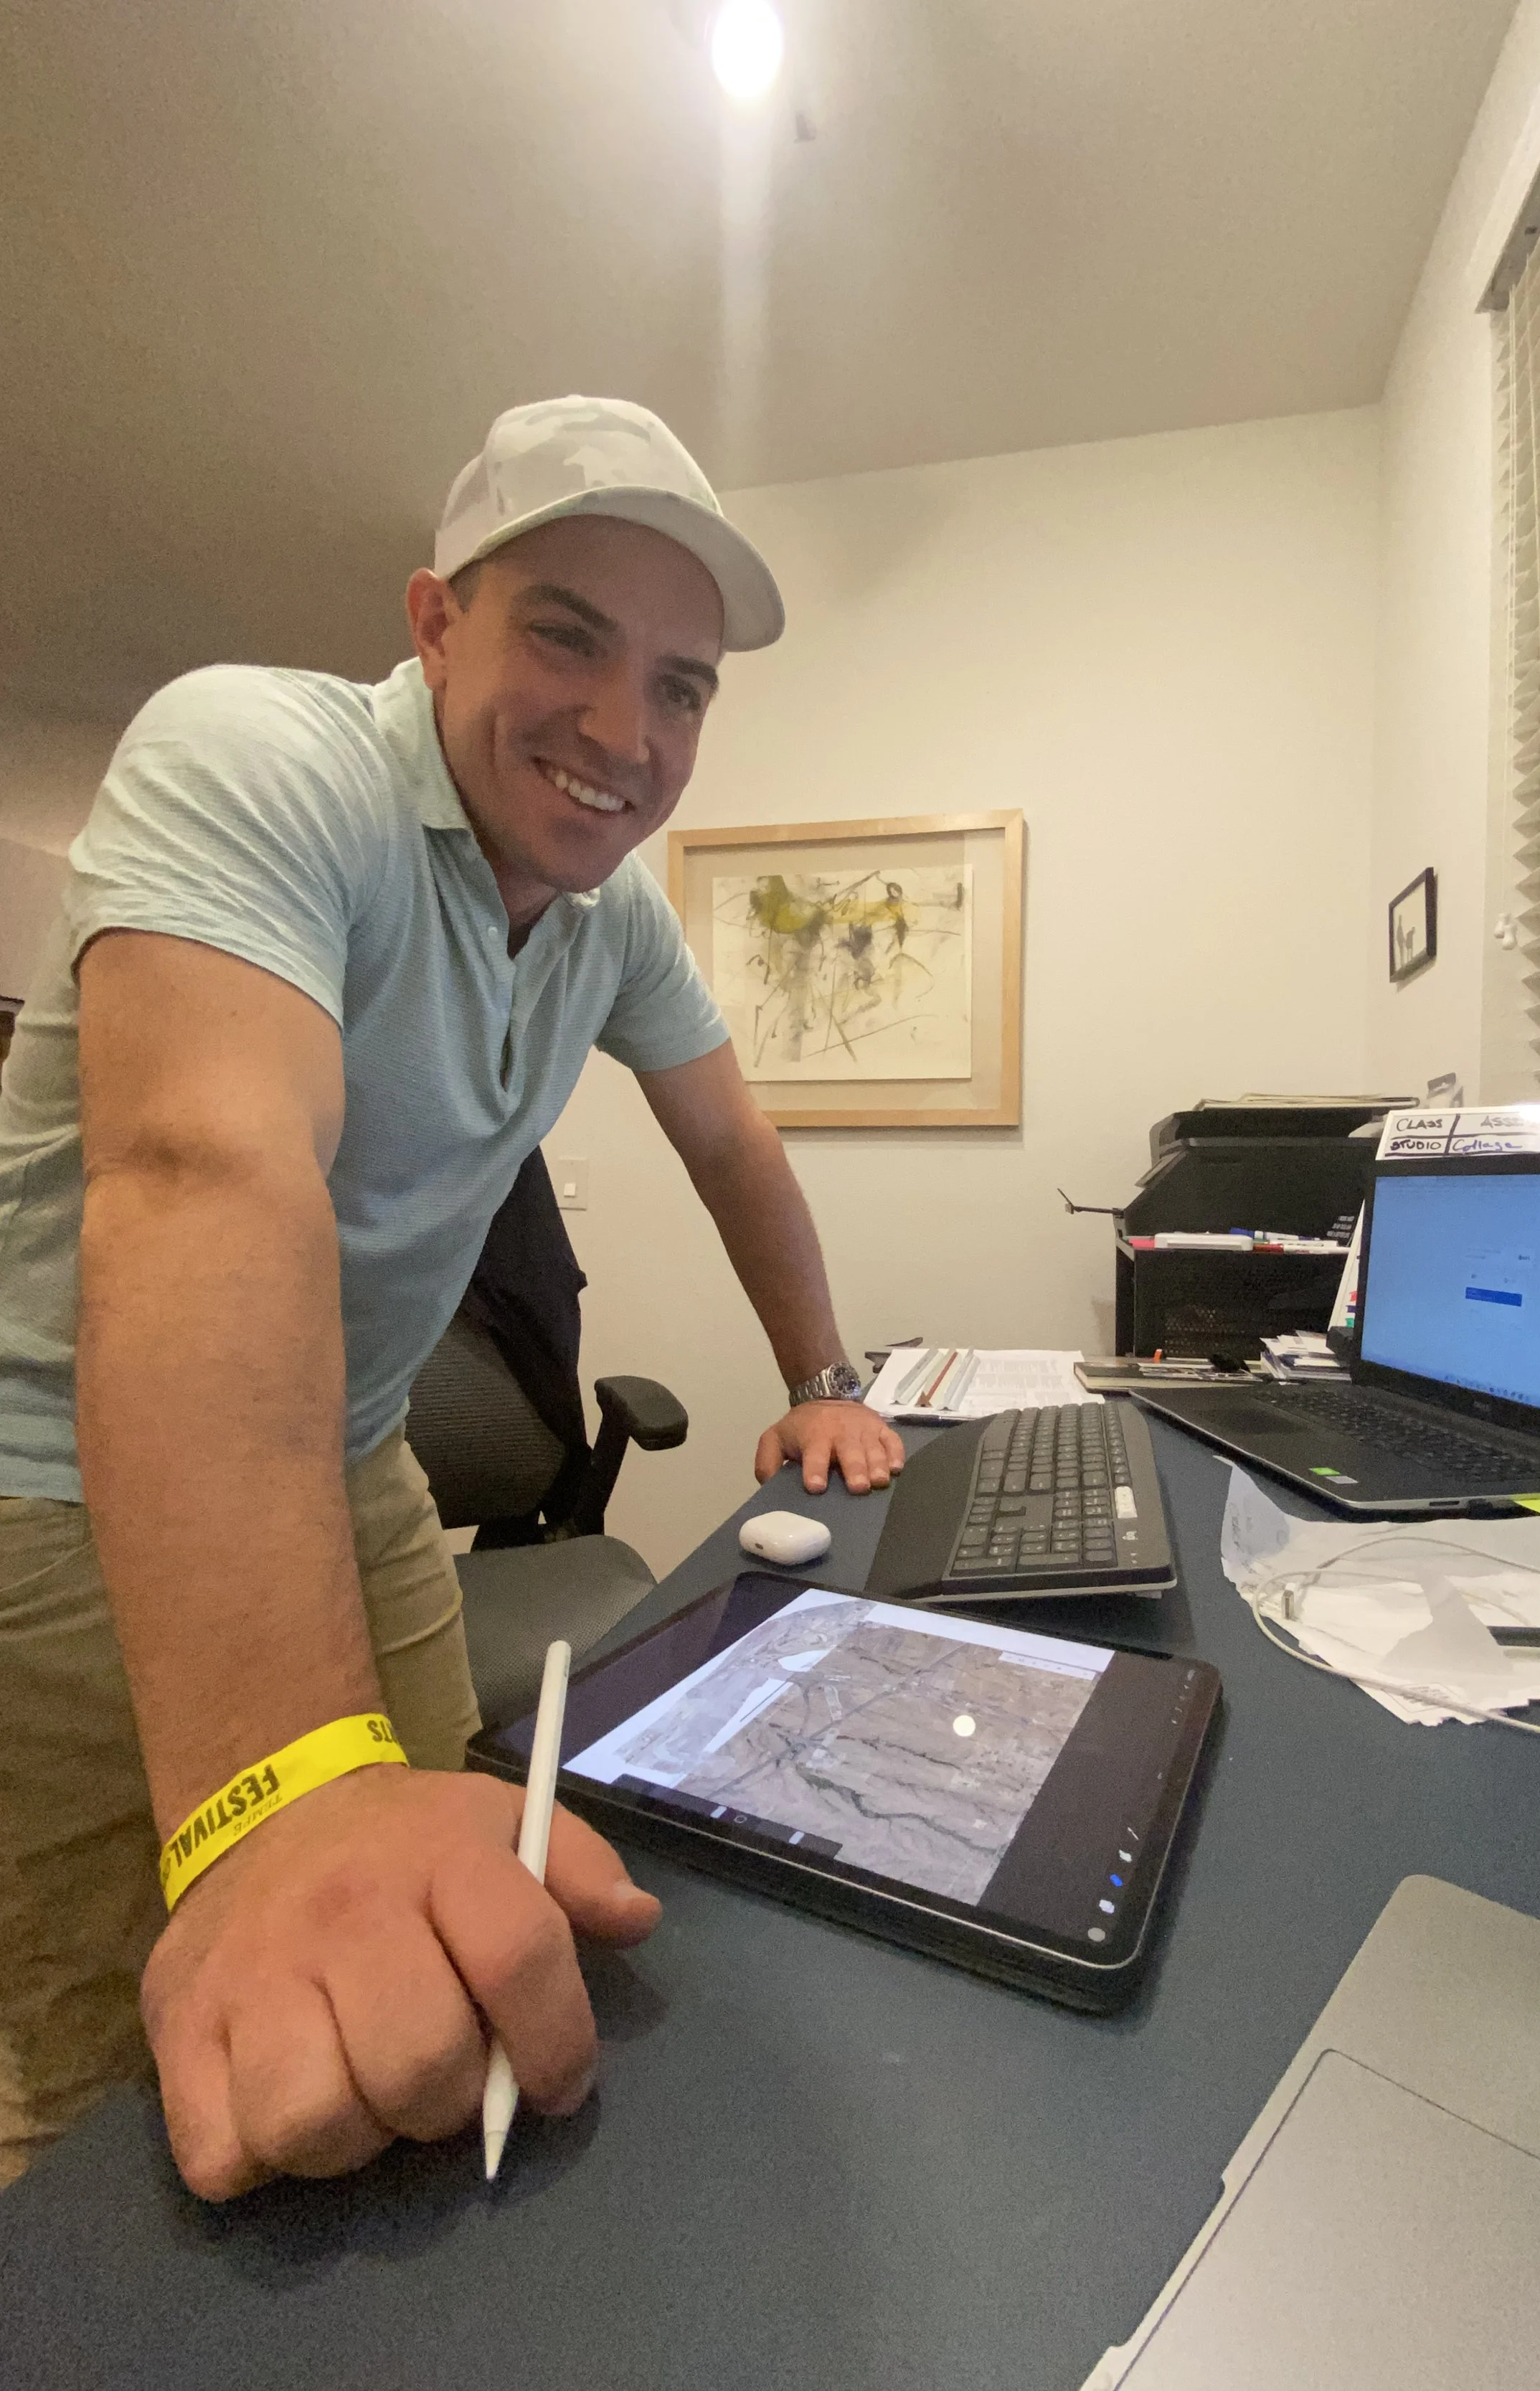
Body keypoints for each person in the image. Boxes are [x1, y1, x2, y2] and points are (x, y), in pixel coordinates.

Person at [0, 396, 904, 2197]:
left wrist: (824, 1372)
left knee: (436, 1928)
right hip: (65, 1480)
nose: (619, 729)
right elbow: (202, 1174)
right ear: (434, 622)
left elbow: (733, 1142)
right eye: (565, 634)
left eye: (679, 685)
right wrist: (281, 1798)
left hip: (352, 1455)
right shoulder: (263, 760)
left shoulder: (607, 915)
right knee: (146, 2058)